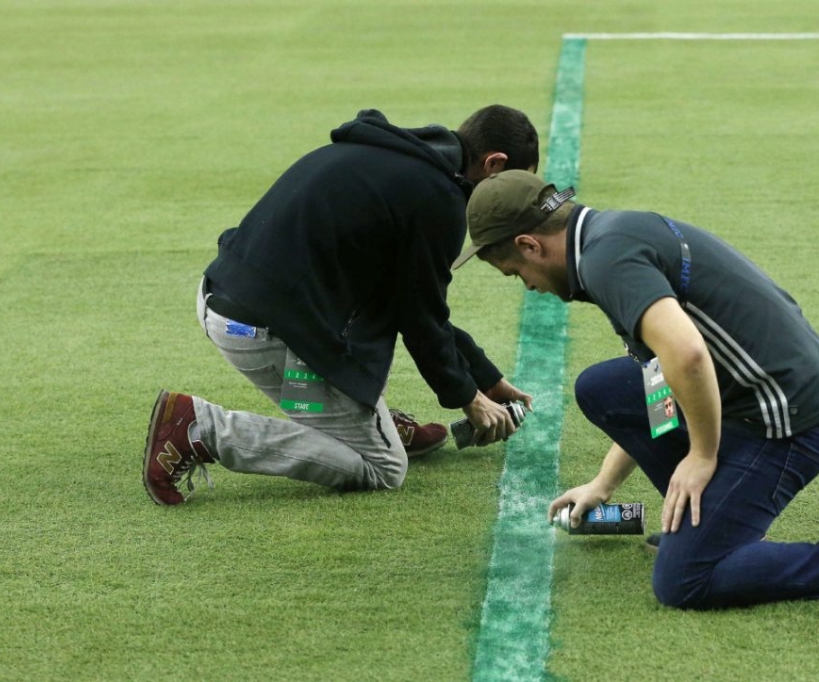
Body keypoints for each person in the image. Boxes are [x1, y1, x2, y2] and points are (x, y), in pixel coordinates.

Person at [454, 169, 819, 608]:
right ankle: (703, 519)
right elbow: (660, 376)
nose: (530, 287)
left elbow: (688, 355)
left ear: (529, 244)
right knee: (603, 388)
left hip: (787, 419)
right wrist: (604, 486)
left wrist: (701, 455)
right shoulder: (608, 236)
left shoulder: (606, 261)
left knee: (684, 582)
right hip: (758, 393)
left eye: (517, 273)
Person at [143, 106, 538, 505]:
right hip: (264, 332)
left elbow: (409, 304)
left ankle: (361, 422)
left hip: (230, 301)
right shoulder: (436, 198)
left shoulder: (396, 156)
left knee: (362, 326)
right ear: (494, 163)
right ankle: (201, 429)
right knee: (383, 468)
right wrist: (469, 397)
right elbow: (421, 319)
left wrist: (484, 378)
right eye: (511, 186)